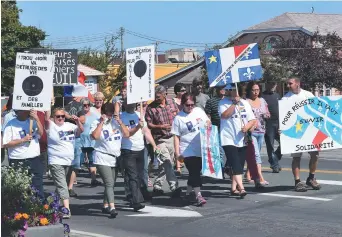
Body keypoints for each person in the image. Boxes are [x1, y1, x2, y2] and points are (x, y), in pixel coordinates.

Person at [281, 76, 321, 192]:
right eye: (287, 84)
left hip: (309, 130)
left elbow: (317, 109)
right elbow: (284, 117)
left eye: (290, 83)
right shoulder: (285, 99)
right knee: (296, 157)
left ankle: (311, 178)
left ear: (297, 84)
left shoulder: (308, 95)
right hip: (296, 132)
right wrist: (282, 128)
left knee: (315, 154)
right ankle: (298, 181)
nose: (288, 86)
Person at [90, 103, 130, 218]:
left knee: (111, 185)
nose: (109, 117)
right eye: (107, 115)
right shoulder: (96, 122)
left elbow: (127, 134)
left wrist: (120, 122)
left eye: (110, 115)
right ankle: (112, 207)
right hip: (102, 157)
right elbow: (95, 136)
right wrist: (101, 122)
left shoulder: (115, 123)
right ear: (102, 113)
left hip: (115, 157)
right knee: (109, 183)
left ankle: (105, 205)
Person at [172, 93, 210, 206]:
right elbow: (176, 136)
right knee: (194, 170)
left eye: (192, 105)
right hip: (187, 150)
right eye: (187, 105)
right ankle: (198, 195)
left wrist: (208, 123)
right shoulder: (178, 118)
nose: (190, 107)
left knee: (196, 171)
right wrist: (177, 153)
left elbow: (208, 121)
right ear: (183, 104)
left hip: (200, 147)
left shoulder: (198, 111)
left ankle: (188, 192)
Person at [45, 107, 84, 218]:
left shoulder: (70, 126)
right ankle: (66, 209)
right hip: (55, 161)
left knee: (61, 187)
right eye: (58, 116)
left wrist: (77, 121)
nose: (61, 118)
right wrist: (48, 103)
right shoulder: (51, 126)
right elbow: (46, 119)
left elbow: (81, 131)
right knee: (63, 186)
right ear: (54, 117)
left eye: (62, 116)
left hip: (68, 161)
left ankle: (47, 203)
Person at [219, 86, 257, 197]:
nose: (231, 91)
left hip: (242, 138)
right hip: (228, 138)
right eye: (229, 89)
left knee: (239, 164)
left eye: (233, 89)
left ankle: (233, 188)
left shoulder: (245, 103)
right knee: (235, 163)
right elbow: (224, 115)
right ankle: (242, 188)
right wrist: (234, 104)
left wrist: (247, 127)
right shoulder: (223, 103)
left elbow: (252, 119)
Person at [120, 100, 158, 207]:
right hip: (128, 150)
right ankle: (135, 201)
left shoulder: (139, 115)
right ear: (124, 104)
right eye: (128, 102)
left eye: (132, 102)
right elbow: (126, 134)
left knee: (141, 174)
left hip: (140, 149)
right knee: (132, 176)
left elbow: (146, 131)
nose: (131, 104)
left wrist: (154, 144)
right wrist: (137, 127)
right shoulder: (121, 117)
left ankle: (138, 195)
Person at [145, 85, 181, 197]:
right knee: (166, 161)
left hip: (172, 137)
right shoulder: (151, 107)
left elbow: (178, 114)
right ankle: (174, 186)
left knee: (166, 164)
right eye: (155, 96)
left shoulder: (171, 102)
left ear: (165, 94)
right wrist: (160, 126)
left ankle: (157, 185)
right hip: (159, 139)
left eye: (159, 97)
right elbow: (149, 124)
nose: (157, 99)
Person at [2, 110, 44, 197]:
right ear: (19, 111)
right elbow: (6, 144)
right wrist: (22, 140)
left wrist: (37, 119)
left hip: (34, 159)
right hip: (18, 160)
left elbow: (41, 133)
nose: (29, 111)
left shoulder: (32, 121)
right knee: (20, 187)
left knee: (37, 185)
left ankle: (38, 207)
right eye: (26, 109)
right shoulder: (11, 124)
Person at [245, 81, 270, 187]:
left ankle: (248, 174)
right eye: (253, 90)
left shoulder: (262, 100)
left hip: (261, 130)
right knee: (257, 155)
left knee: (255, 154)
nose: (256, 92)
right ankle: (260, 178)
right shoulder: (246, 102)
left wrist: (267, 115)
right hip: (251, 131)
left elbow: (268, 112)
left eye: (257, 90)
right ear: (249, 90)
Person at [64, 96, 86, 197]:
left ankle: (70, 187)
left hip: (75, 136)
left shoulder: (79, 105)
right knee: (64, 162)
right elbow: (58, 115)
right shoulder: (61, 102)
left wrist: (74, 118)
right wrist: (67, 116)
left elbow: (83, 119)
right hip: (63, 135)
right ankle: (62, 186)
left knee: (75, 164)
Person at [80, 97, 102, 186]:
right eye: (84, 105)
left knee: (92, 160)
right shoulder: (79, 115)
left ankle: (93, 179)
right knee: (78, 161)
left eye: (88, 105)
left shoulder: (95, 116)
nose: (86, 107)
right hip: (80, 140)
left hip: (91, 141)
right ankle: (71, 181)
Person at [262, 81, 282, 173]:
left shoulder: (278, 96)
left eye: (274, 84)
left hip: (278, 123)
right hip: (268, 124)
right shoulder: (262, 96)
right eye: (270, 84)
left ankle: (275, 158)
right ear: (267, 84)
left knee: (284, 143)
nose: (272, 86)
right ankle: (274, 165)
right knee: (270, 145)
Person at [172, 83, 187, 174]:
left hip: (184, 123)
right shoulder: (173, 101)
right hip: (175, 122)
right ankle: (178, 166)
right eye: (182, 90)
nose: (184, 92)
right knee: (176, 144)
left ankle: (181, 160)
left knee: (182, 144)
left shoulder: (185, 101)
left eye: (185, 90)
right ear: (177, 92)